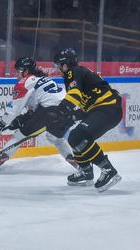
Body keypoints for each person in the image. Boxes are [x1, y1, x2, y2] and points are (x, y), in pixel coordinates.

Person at [0, 57, 77, 173]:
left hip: (50, 111)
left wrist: (0, 124)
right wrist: (22, 119)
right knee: (55, 138)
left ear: (26, 71)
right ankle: (78, 165)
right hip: (67, 109)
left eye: (18, 71)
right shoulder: (44, 78)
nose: (16, 75)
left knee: (19, 136)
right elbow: (40, 103)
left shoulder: (25, 82)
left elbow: (13, 109)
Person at [53, 48, 122, 192]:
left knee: (78, 136)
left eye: (58, 65)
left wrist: (61, 110)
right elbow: (87, 103)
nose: (57, 69)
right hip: (105, 109)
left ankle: (108, 169)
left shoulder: (73, 72)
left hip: (107, 108)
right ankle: (86, 171)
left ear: (65, 65)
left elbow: (75, 95)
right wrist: (72, 116)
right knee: (73, 137)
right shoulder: (77, 74)